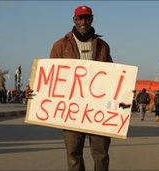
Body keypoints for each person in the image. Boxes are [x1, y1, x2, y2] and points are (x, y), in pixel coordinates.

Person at [49, 5, 112, 171]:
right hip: (72, 110)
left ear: (92, 19)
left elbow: (113, 76)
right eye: (80, 18)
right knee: (73, 153)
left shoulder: (103, 46)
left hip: (97, 110)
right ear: (74, 20)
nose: (83, 21)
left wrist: (125, 91)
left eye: (87, 18)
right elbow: (49, 76)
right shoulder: (60, 46)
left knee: (101, 154)